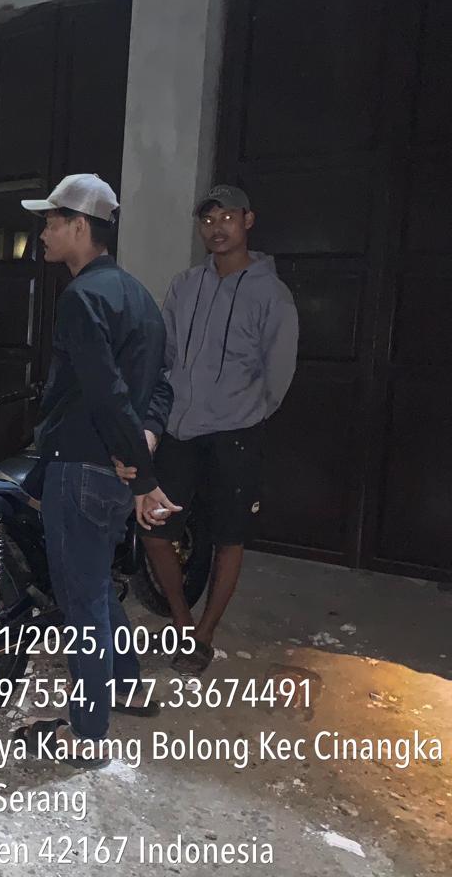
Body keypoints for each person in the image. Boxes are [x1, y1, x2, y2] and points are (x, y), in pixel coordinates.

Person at [15, 174, 178, 770]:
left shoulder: (83, 298)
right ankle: (127, 684)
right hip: (113, 468)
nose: (44, 232)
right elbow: (161, 386)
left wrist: (142, 472)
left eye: (51, 221)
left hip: (83, 467)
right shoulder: (139, 296)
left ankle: (87, 733)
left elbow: (106, 394)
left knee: (81, 601)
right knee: (97, 588)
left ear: (80, 227)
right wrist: (143, 445)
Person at [133, 185, 298, 675]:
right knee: (155, 528)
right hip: (180, 431)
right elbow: (165, 353)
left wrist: (249, 413)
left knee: (229, 535)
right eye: (207, 220)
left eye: (227, 217)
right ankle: (183, 621)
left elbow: (279, 371)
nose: (216, 228)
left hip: (236, 432)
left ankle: (205, 634)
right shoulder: (186, 285)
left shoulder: (271, 293)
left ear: (248, 220)